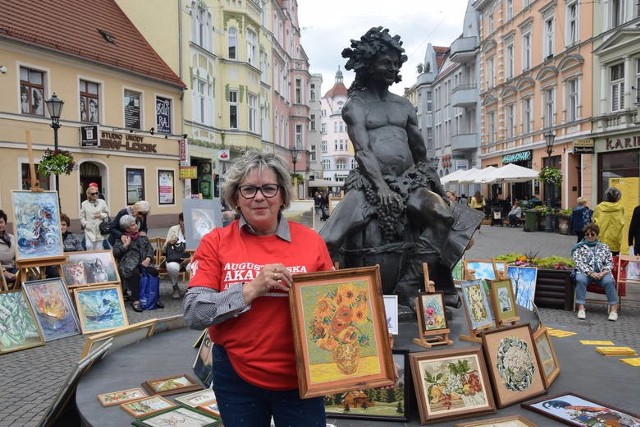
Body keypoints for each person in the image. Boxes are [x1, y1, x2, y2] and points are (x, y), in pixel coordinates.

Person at [319, 27, 482, 310]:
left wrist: (438, 190)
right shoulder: (355, 105)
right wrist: (380, 186)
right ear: (368, 64)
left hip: (409, 181)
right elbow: (363, 150)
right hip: (369, 183)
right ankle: (319, 299)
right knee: (329, 237)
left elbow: (419, 150)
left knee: (442, 215)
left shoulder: (404, 105)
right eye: (385, 62)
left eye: (395, 63)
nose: (392, 68)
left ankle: (409, 283)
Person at [183, 151, 334, 427]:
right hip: (237, 378)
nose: (259, 197)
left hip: (302, 376)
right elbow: (194, 313)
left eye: (268, 188)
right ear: (236, 197)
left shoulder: (312, 241)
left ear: (282, 196)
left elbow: (337, 307)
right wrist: (250, 289)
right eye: (249, 189)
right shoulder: (215, 242)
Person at [112, 215, 163, 312]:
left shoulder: (142, 236)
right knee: (134, 273)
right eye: (132, 225)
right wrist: (125, 245)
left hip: (144, 262)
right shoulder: (121, 239)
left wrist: (148, 258)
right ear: (127, 228)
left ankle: (154, 298)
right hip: (128, 265)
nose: (136, 226)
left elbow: (150, 249)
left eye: (135, 223)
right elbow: (116, 253)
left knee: (154, 272)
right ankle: (135, 300)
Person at [571, 223, 618, 321]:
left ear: (596, 235)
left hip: (601, 273)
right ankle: (581, 307)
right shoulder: (578, 248)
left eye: (592, 234)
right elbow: (578, 263)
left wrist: (603, 273)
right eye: (587, 234)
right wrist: (591, 273)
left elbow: (609, 262)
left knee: (609, 281)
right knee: (580, 279)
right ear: (584, 235)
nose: (590, 236)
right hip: (586, 273)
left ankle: (613, 309)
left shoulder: (604, 247)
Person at [45, 213, 84, 278]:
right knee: (54, 273)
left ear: (67, 225)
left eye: (64, 225)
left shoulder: (73, 236)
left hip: (72, 265)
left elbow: (81, 251)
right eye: (59, 225)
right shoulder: (50, 238)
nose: (61, 227)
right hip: (56, 266)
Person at [163, 212, 189, 299]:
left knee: (192, 267)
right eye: (183, 221)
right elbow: (164, 249)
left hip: (190, 257)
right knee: (172, 267)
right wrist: (169, 242)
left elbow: (200, 248)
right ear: (180, 221)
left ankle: (192, 288)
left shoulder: (194, 229)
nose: (185, 223)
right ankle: (175, 287)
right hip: (174, 257)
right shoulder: (173, 229)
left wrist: (190, 259)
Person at [593, 186, 624, 256]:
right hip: (615, 241)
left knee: (600, 262)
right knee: (613, 262)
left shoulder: (599, 207)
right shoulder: (620, 208)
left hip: (601, 240)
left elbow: (593, 220)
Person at [80, 185, 110, 250]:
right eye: (93, 194)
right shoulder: (84, 204)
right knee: (88, 246)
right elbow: (82, 217)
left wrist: (101, 215)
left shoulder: (102, 202)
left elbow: (107, 213)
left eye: (96, 193)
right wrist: (86, 224)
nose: (95, 195)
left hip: (99, 229)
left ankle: (97, 260)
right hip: (89, 229)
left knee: (98, 248)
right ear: (88, 194)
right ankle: (90, 260)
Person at [0, 210, 17, 285]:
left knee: (29, 276)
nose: (0, 225)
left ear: (5, 223)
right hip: (1, 272)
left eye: (1, 222)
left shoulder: (12, 238)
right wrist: (5, 273)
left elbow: (18, 255)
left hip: (13, 268)